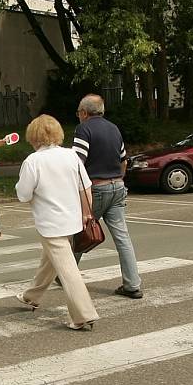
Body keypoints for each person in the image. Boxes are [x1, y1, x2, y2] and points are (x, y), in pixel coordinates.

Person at [15, 114, 100, 330]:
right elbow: (85, 187)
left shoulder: (33, 161)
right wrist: (87, 214)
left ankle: (84, 314)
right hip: (72, 219)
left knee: (67, 269)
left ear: (33, 136)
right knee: (51, 261)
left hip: (50, 223)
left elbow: (23, 195)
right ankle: (31, 296)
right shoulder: (72, 156)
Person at [72, 94, 143, 299]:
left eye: (79, 113)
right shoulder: (114, 128)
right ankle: (132, 284)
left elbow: (77, 163)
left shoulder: (83, 129)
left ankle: (67, 274)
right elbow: (123, 160)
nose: (78, 116)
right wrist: (118, 180)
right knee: (122, 237)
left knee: (81, 231)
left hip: (96, 188)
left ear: (84, 113)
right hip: (118, 187)